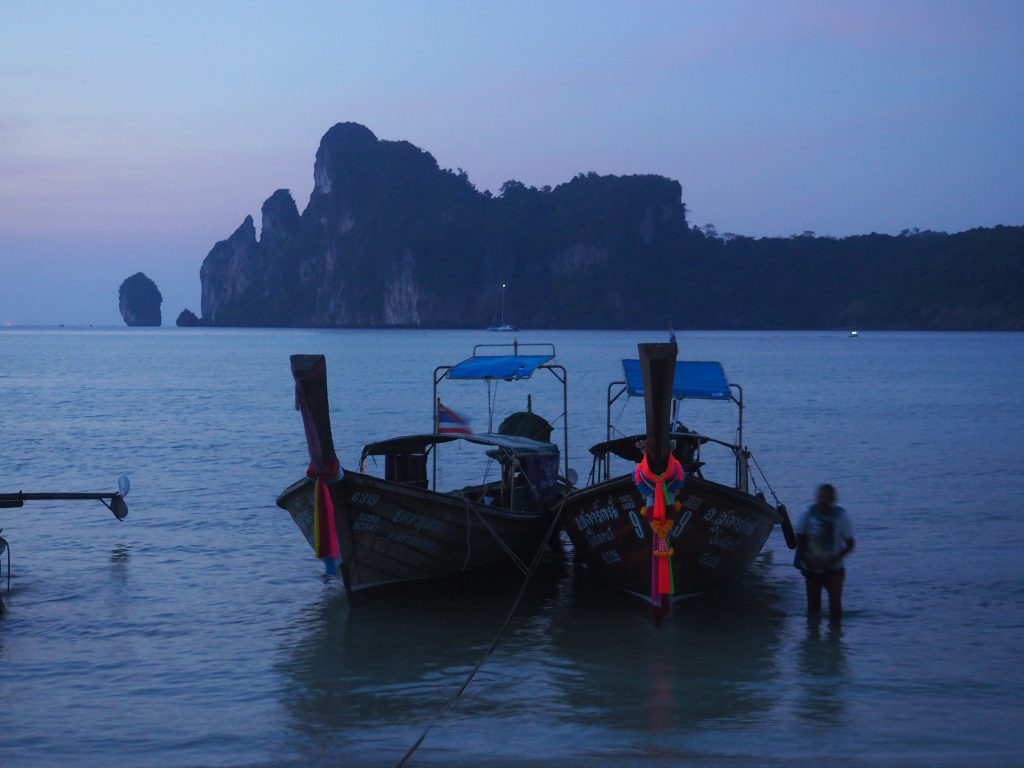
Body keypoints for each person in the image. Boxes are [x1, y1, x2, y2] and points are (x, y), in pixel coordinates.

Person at [794, 483, 855, 623]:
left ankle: (835, 640)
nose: (823, 500)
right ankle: (812, 639)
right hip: (811, 566)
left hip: (834, 568)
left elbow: (850, 544)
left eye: (826, 498)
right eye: (820, 497)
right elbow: (800, 539)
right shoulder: (807, 514)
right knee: (813, 608)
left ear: (833, 500)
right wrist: (805, 559)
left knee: (835, 607)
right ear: (816, 498)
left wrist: (833, 560)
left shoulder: (841, 517)